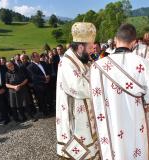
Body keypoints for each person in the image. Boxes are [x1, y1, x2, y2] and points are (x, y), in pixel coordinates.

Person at [90, 23, 149, 159]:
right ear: (134, 42)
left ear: (116, 40)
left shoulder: (98, 66)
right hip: (135, 114)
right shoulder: (144, 64)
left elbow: (95, 96)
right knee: (136, 145)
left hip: (111, 117)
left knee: (115, 147)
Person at [56, 22, 99, 159]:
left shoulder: (82, 58)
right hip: (75, 116)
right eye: (91, 47)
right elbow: (79, 87)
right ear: (80, 47)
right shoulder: (67, 62)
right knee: (81, 151)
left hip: (87, 112)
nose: (93, 50)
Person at [27, 52, 51, 116]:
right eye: (37, 56)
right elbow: (34, 76)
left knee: (49, 97)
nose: (39, 57)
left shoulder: (43, 63)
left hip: (47, 83)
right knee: (42, 100)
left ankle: (51, 110)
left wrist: (48, 77)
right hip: (39, 86)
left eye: (38, 56)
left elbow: (48, 70)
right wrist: (44, 78)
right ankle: (46, 113)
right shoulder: (30, 67)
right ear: (33, 58)